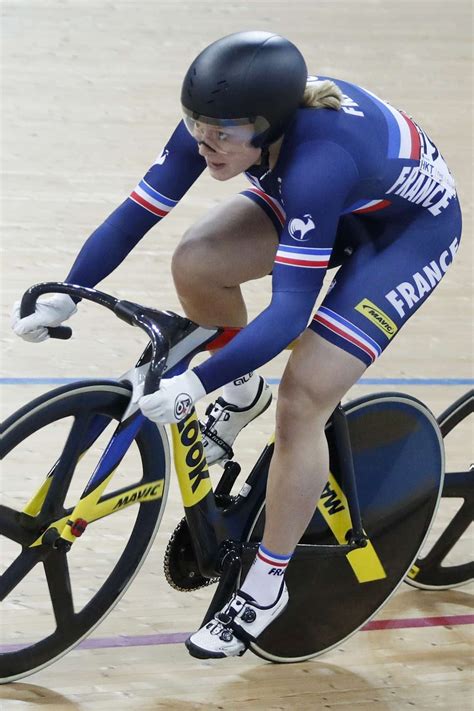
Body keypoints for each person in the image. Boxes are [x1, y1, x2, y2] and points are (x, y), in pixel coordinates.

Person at [11, 31, 462, 659]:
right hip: (328, 198)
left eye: (221, 134)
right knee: (198, 261)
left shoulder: (316, 161)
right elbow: (138, 211)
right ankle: (243, 394)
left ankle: (266, 583)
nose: (204, 145)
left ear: (266, 126)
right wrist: (69, 289)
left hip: (403, 235)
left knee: (304, 399)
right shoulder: (223, 126)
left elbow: (287, 314)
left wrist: (198, 382)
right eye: (197, 126)